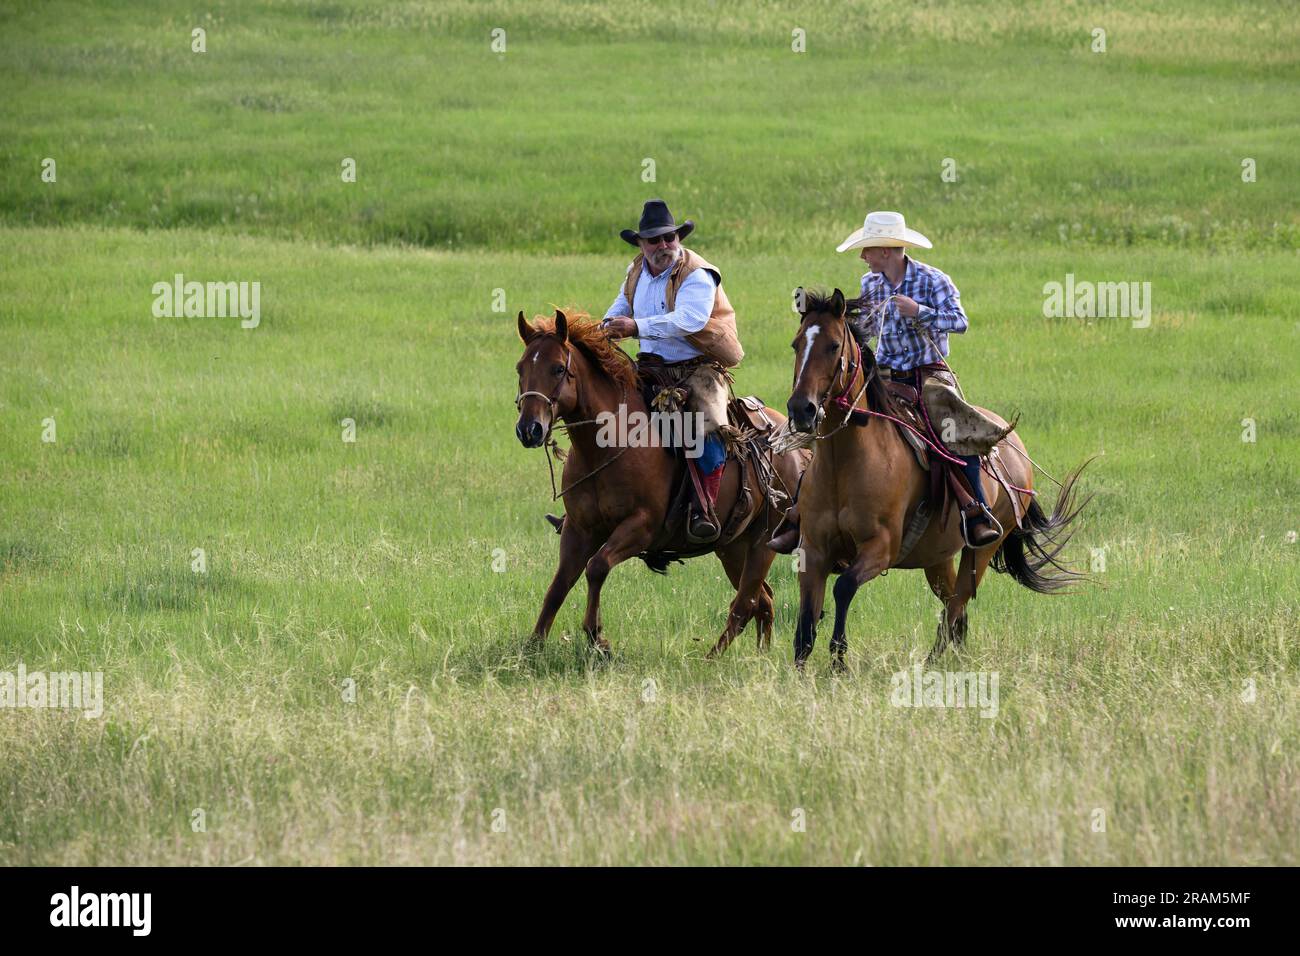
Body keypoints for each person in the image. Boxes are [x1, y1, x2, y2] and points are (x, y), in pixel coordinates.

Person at [768, 211, 1001, 553]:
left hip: (928, 375)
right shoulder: (870, 285)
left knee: (950, 435)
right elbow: (866, 333)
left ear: (888, 250)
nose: (863, 257)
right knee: (829, 427)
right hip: (885, 376)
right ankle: (799, 512)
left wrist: (920, 312)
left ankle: (975, 510)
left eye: (868, 250)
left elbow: (960, 321)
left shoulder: (934, 281)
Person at [601, 200, 744, 541]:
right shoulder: (635, 271)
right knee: (602, 415)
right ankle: (593, 509)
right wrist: (602, 328)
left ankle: (706, 506)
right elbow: (620, 307)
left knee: (707, 426)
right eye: (654, 240)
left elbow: (689, 320)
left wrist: (635, 327)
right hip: (650, 368)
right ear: (641, 244)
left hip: (698, 369)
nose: (663, 245)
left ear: (678, 238)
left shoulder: (698, 273)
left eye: (669, 237)